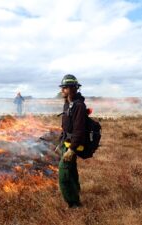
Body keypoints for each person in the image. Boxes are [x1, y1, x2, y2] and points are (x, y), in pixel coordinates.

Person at [56, 74, 87, 208]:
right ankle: (76, 192)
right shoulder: (67, 104)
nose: (62, 90)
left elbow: (79, 130)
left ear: (73, 88)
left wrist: (72, 149)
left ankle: (74, 204)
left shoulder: (79, 106)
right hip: (66, 143)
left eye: (64, 88)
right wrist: (60, 143)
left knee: (64, 175)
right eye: (62, 87)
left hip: (72, 146)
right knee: (72, 170)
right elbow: (66, 128)